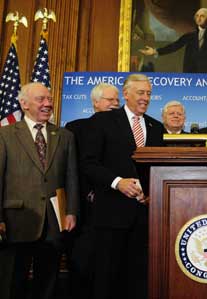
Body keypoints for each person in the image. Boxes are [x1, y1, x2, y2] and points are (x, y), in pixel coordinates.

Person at [81, 74, 164, 299]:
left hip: (146, 216)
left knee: (139, 278)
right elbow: (88, 163)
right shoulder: (103, 121)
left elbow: (161, 168)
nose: (146, 98)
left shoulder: (157, 127)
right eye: (141, 92)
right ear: (126, 94)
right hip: (111, 213)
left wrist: (153, 192)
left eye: (149, 93)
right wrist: (118, 182)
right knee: (107, 278)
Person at [0, 82, 79, 299]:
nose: (47, 104)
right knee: (11, 282)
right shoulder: (5, 135)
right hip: (16, 220)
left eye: (50, 99)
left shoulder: (64, 136)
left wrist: (71, 211)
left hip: (54, 222)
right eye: (41, 99)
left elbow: (71, 177)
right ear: (24, 104)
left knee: (48, 283)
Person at [65, 83, 120, 299]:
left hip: (116, 210)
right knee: (82, 267)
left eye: (117, 100)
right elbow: (70, 168)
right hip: (84, 211)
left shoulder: (127, 130)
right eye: (110, 100)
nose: (115, 104)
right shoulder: (75, 128)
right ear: (95, 102)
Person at [139, 8, 207, 74]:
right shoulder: (190, 36)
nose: (199, 18)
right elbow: (175, 46)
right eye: (197, 16)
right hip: (191, 77)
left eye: (202, 16)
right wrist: (155, 51)